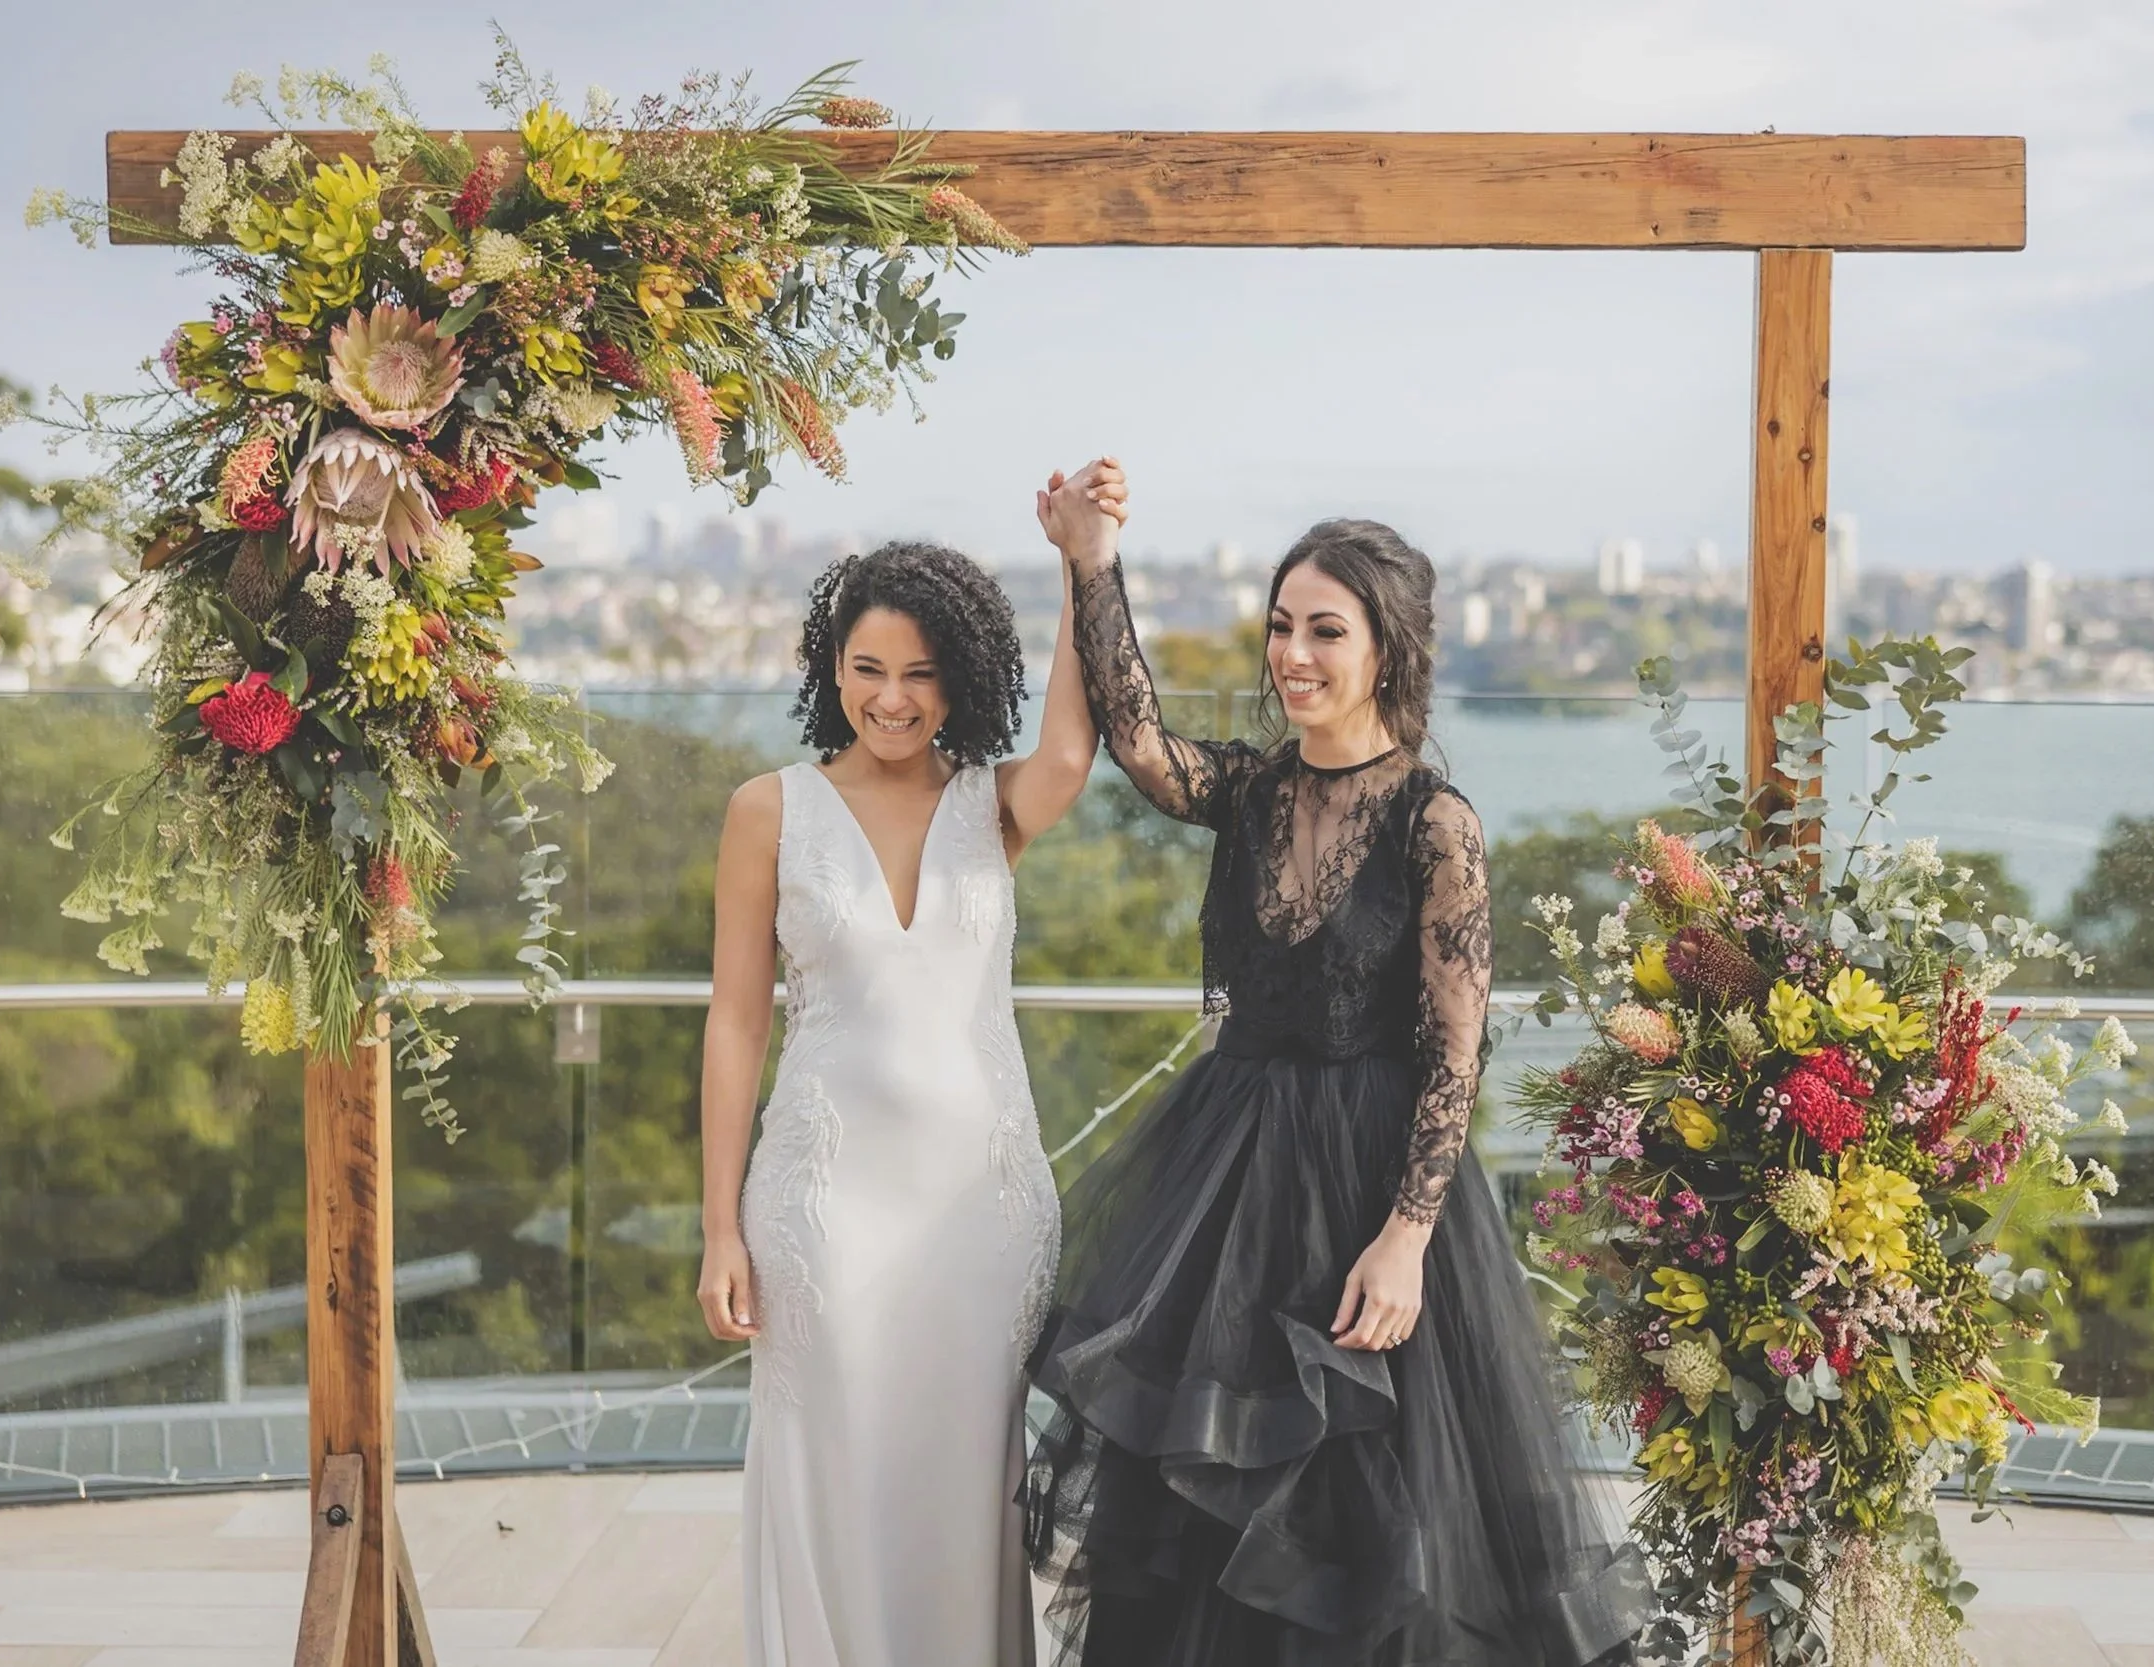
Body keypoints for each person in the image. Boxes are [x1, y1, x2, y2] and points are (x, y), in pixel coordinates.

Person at [1026, 507, 1645, 1665]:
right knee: (1205, 1516)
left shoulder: (1435, 825)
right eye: (1279, 626)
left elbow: (1456, 1053)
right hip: (1230, 1186)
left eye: (1325, 629)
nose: (1293, 654)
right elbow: (1143, 739)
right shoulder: (1250, 790)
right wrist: (1092, 561)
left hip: (1374, 1195)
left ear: (1386, 651)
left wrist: (1407, 1236)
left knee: (1382, 1534)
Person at [697, 462, 1129, 1667]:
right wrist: (719, 1226)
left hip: (979, 1216)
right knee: (830, 1469)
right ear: (830, 670)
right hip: (820, 1207)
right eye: (868, 668)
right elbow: (735, 1023)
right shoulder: (766, 810)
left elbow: (1074, 741)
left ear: (961, 677)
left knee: (960, 1490)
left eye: (921, 671)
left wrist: (1078, 560)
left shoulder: (995, 805)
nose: (892, 698)